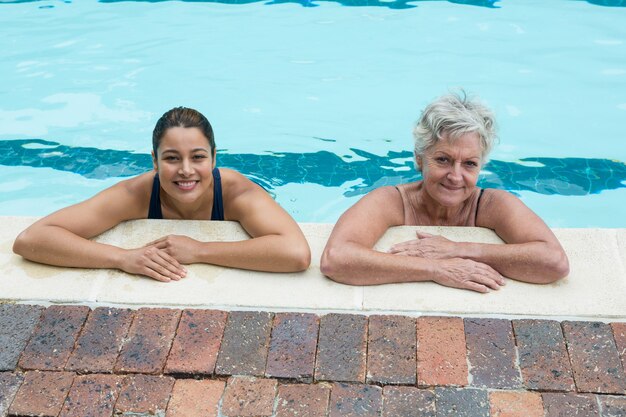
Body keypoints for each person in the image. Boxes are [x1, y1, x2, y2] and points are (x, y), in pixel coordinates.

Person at [13, 107, 311, 281]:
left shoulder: (237, 193)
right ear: (154, 161)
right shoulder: (137, 193)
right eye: (171, 158)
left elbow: (295, 253)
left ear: (214, 158)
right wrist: (121, 258)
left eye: (197, 157)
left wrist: (200, 251)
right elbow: (32, 239)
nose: (185, 170)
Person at [321, 91, 569, 293]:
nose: (455, 176)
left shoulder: (493, 204)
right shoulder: (391, 201)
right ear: (420, 160)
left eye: (469, 164)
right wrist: (436, 269)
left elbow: (553, 262)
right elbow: (337, 258)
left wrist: (458, 249)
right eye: (443, 159)